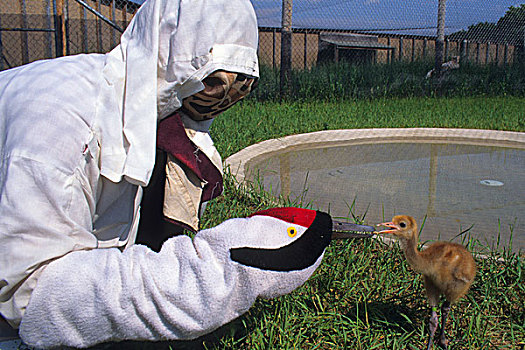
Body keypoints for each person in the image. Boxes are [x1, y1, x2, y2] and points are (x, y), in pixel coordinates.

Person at [0, 0, 333, 347]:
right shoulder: (62, 121)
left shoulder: (139, 106)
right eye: (213, 83)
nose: (221, 100)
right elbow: (29, 297)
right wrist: (222, 271)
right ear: (167, 55)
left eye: (241, 86)